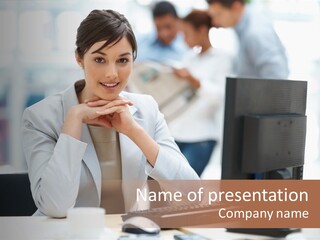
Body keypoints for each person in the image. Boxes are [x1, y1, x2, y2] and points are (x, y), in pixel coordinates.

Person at [21, 9, 198, 218]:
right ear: (79, 58)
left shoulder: (146, 108)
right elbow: (55, 207)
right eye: (99, 59)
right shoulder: (41, 117)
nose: (112, 74)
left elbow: (192, 193)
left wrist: (134, 131)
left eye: (123, 60)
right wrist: (73, 122)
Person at [169, 10, 232, 176]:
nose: (184, 39)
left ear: (202, 30)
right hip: (176, 133)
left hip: (201, 137)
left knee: (183, 189)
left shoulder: (223, 58)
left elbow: (219, 97)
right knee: (166, 189)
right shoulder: (188, 58)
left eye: (187, 34)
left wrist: (194, 81)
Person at [207, 0, 289, 79]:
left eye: (218, 15)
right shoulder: (243, 27)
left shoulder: (256, 33)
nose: (215, 22)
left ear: (236, 6)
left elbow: (277, 78)